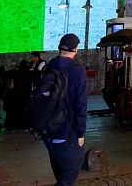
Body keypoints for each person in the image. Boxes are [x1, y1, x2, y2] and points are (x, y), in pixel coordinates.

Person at [42, 33, 88, 186]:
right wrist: (80, 133)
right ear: (75, 49)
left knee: (61, 175)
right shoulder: (78, 71)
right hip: (67, 133)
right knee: (68, 179)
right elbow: (81, 104)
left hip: (48, 132)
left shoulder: (49, 67)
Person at [4, 60, 33, 131]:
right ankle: (23, 126)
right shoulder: (29, 74)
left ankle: (12, 126)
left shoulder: (16, 73)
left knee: (14, 111)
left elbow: (6, 74)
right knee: (24, 111)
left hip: (15, 96)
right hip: (25, 96)